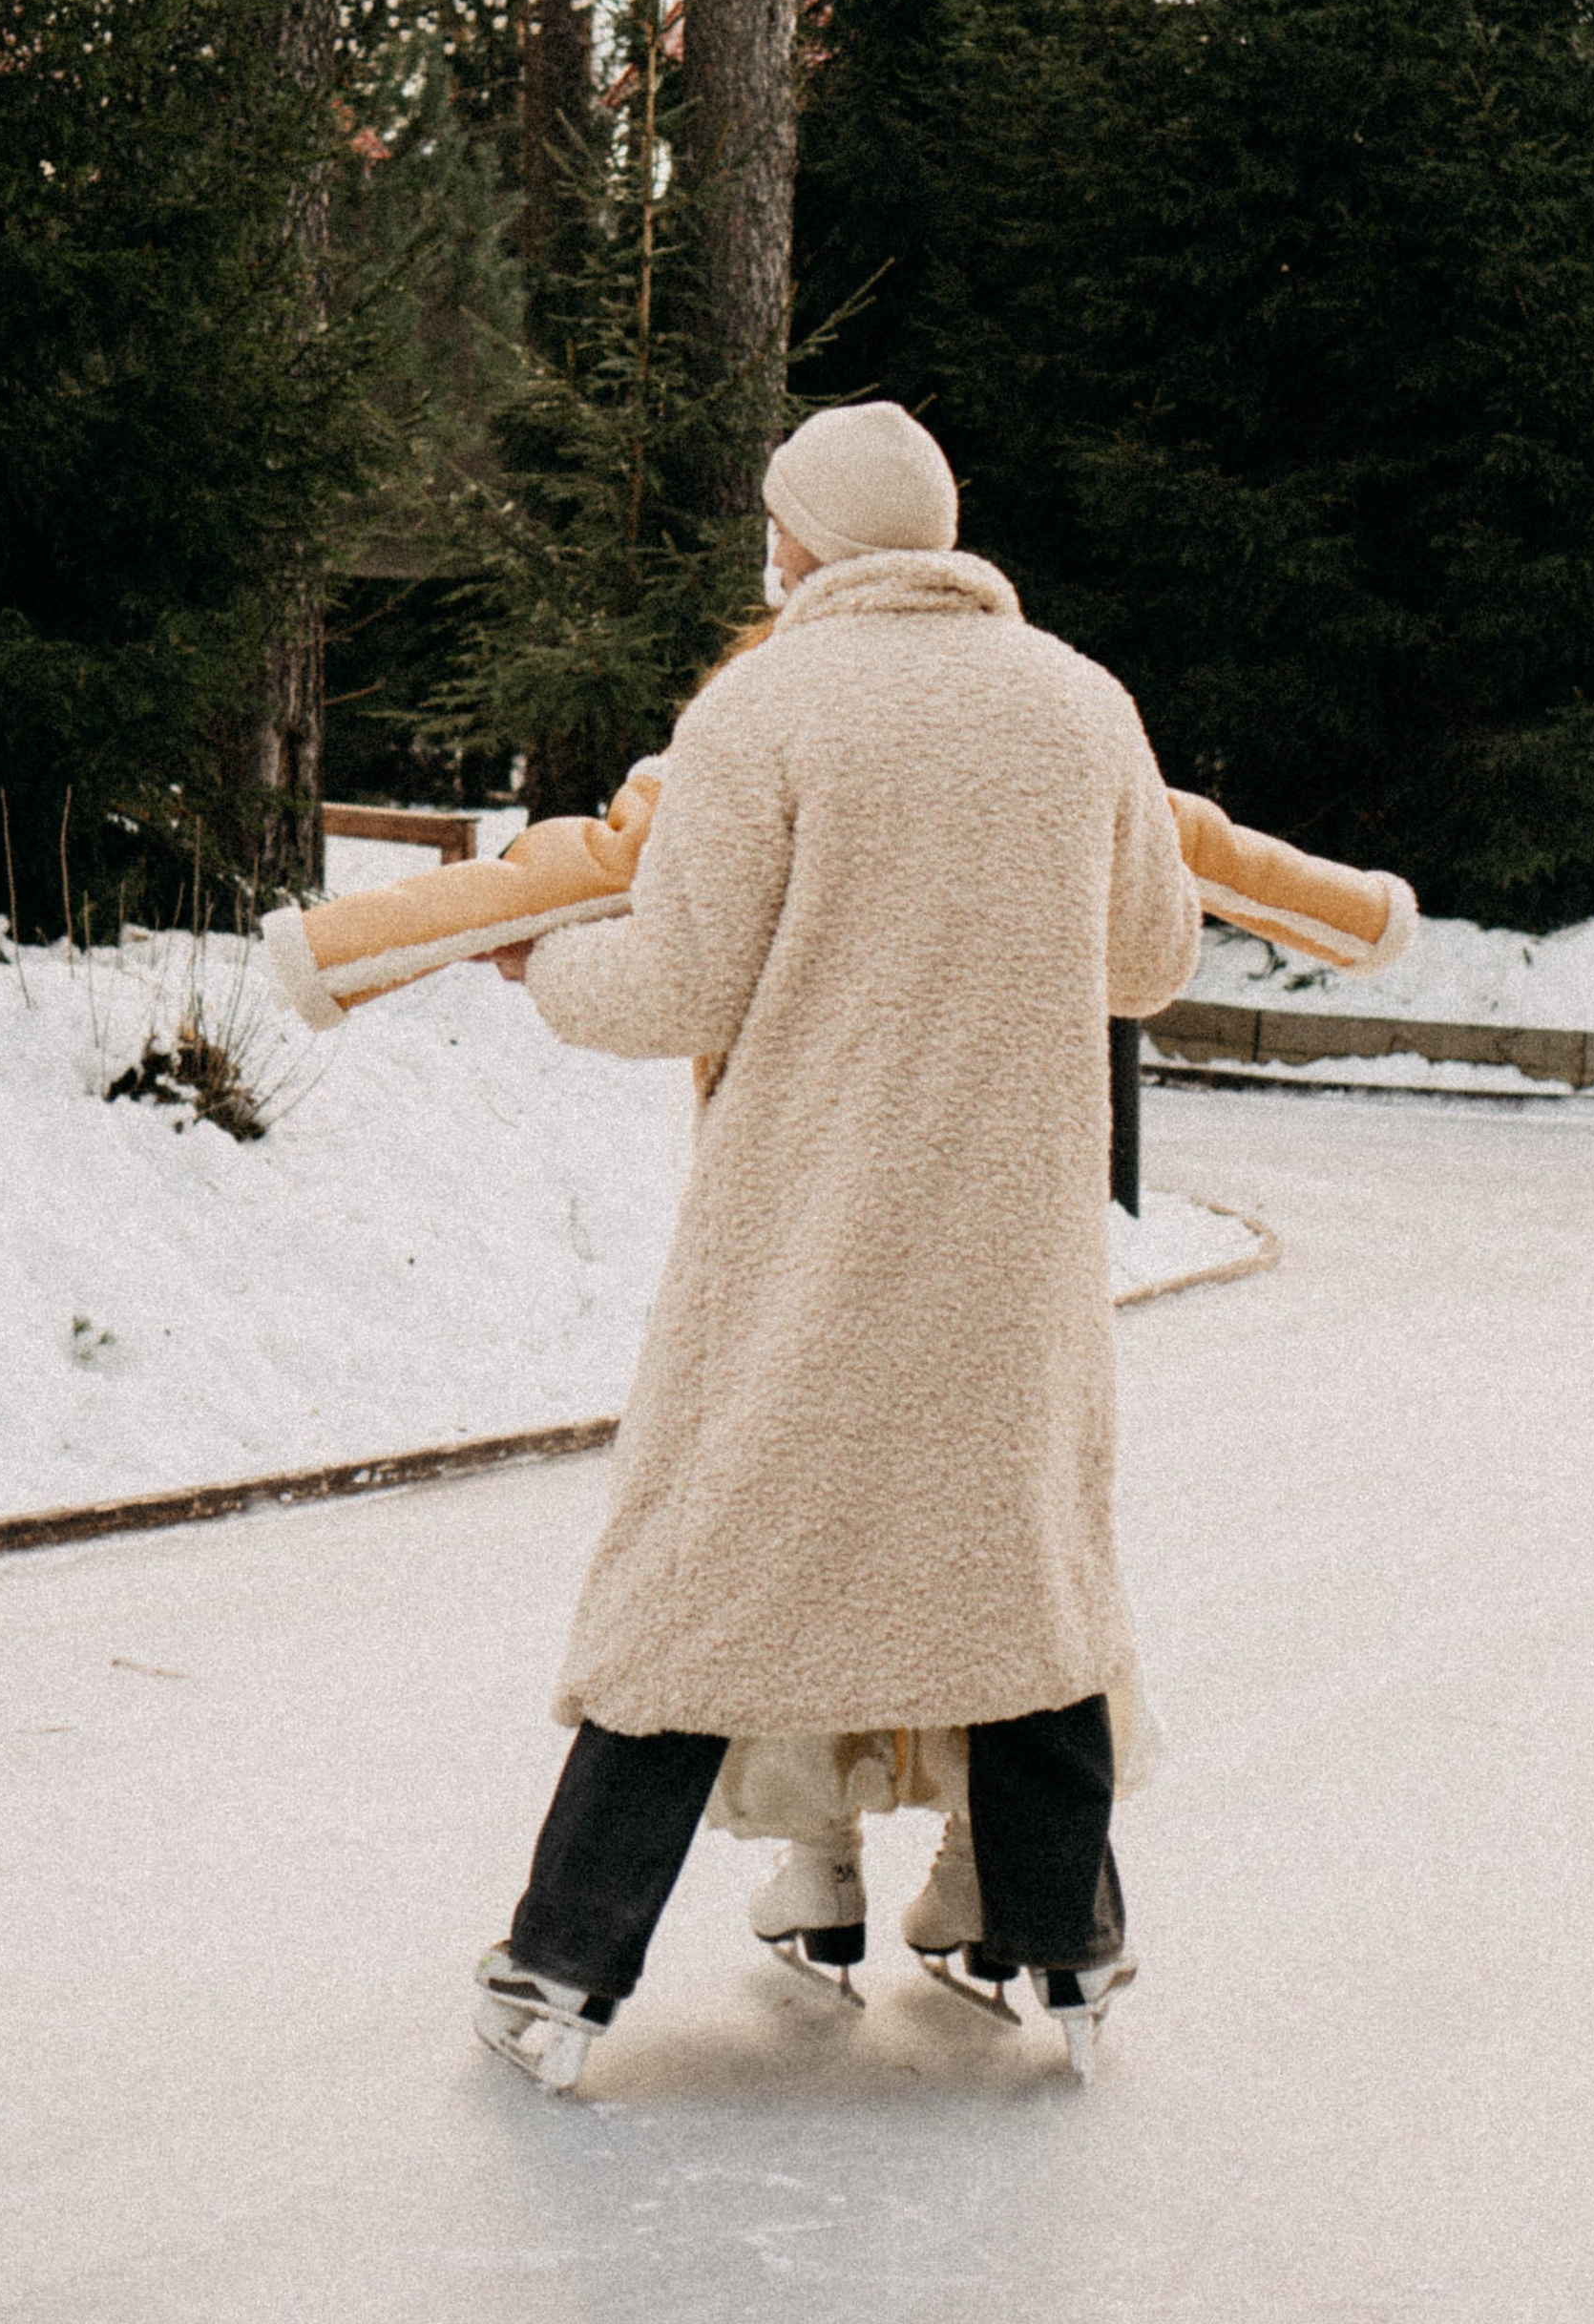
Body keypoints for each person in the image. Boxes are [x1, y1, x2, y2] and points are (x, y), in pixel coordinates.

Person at [472, 398, 1203, 2090]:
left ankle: (562, 1971)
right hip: (1013, 1247)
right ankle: (1071, 1952)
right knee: (1019, 1573)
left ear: (803, 539)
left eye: (772, 523)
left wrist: (542, 964)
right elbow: (1152, 959)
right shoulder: (1081, 702)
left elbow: (675, 983)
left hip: (809, 1234)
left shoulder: (765, 706)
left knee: (708, 1576)